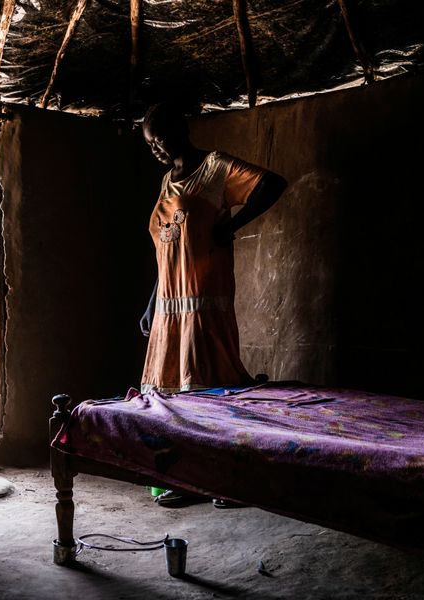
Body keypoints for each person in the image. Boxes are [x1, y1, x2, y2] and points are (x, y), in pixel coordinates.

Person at [138, 102, 287, 506]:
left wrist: (231, 225)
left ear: (182, 128)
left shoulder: (215, 167)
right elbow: (167, 252)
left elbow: (272, 184)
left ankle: (229, 479)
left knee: (212, 388)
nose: (156, 150)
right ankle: (189, 477)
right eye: (150, 145)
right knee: (175, 395)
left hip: (204, 301)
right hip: (171, 307)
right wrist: (154, 301)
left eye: (160, 139)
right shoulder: (167, 181)